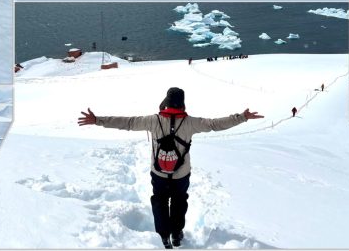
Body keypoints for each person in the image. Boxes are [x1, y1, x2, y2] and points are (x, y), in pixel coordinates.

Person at [77, 88, 263, 249]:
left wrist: (97, 120)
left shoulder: (153, 120)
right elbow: (215, 124)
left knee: (159, 201)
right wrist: (242, 117)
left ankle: (163, 236)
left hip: (158, 172)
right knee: (179, 201)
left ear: (166, 102)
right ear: (182, 103)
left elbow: (128, 122)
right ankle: (176, 233)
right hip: (181, 173)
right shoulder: (191, 122)